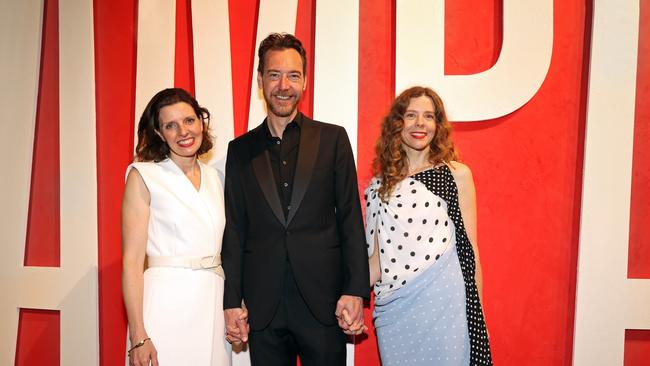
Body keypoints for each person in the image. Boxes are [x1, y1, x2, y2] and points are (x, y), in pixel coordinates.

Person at [221, 33, 369, 366]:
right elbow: (235, 229)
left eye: (293, 75)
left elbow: (349, 217)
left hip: (323, 302)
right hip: (264, 306)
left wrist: (354, 289)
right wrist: (232, 300)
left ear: (304, 82)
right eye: (274, 74)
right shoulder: (239, 151)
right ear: (261, 80)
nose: (283, 85)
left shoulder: (332, 139)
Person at [365, 86, 493, 365]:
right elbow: (375, 261)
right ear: (397, 124)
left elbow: (470, 251)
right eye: (411, 115)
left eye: (428, 116)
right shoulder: (379, 187)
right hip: (394, 309)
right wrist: (334, 289)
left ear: (438, 125)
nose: (420, 123)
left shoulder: (455, 174)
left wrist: (476, 313)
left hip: (446, 304)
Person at [122, 88, 230, 366]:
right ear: (159, 133)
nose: (184, 131)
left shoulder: (216, 178)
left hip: (212, 303)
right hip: (164, 304)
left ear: (201, 123)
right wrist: (138, 335)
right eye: (171, 125)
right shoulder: (143, 175)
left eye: (189, 120)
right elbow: (132, 262)